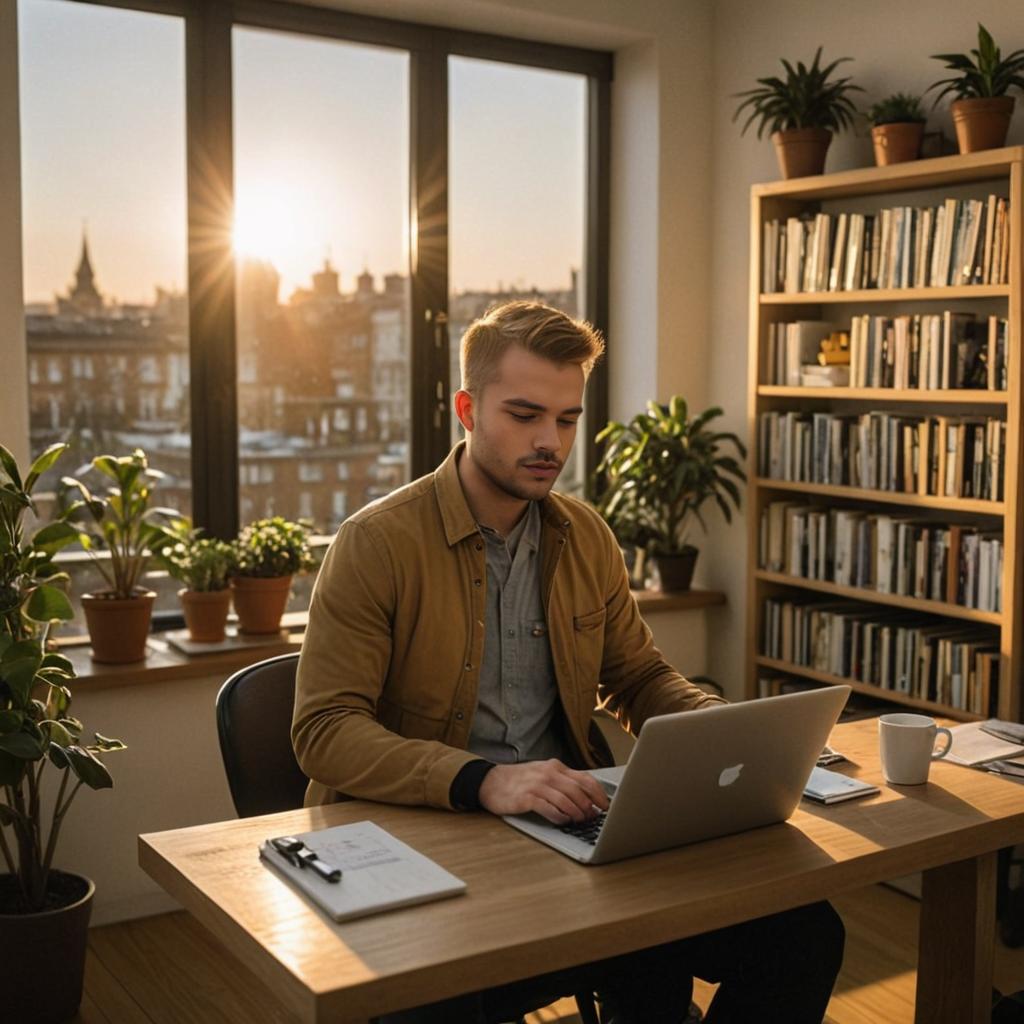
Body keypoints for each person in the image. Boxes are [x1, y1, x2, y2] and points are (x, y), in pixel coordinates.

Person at [293, 301, 845, 1023]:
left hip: (570, 833)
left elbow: (638, 677)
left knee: (802, 934)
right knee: (434, 999)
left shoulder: (584, 534)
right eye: (524, 415)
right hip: (427, 840)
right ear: (466, 408)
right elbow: (325, 730)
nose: (550, 441)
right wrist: (484, 781)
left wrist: (726, 730)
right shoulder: (376, 544)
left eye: (567, 418)